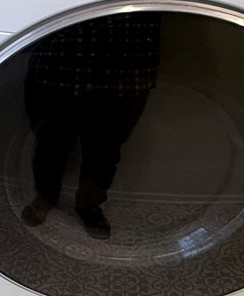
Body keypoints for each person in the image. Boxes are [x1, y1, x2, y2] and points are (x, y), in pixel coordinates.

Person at [21, 12, 161, 239]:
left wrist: (144, 81)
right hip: (56, 65)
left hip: (122, 70)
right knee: (49, 146)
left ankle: (89, 206)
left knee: (104, 153)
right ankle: (45, 198)